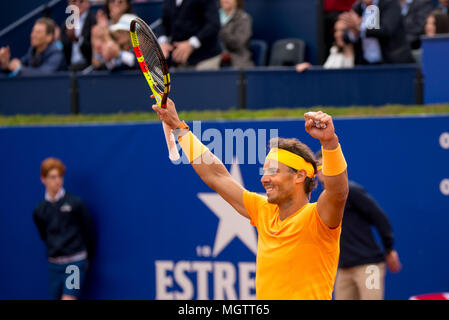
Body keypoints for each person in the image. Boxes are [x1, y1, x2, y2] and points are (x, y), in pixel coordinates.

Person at [151, 98, 349, 299]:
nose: (265, 178)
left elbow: (338, 193)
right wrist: (178, 126)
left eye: (273, 171)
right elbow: (216, 175)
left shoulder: (318, 218)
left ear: (299, 176)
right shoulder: (263, 210)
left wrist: (329, 142)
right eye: (264, 171)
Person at [315, 151, 402, 300]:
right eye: (320, 167)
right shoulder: (322, 201)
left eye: (328, 165)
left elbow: (379, 217)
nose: (324, 170)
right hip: (343, 269)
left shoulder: (352, 191)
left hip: (369, 266)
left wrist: (389, 249)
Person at [33, 158, 95, 300]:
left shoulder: (75, 203)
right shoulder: (39, 210)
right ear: (43, 179)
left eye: (60, 176)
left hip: (75, 264)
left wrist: (86, 258)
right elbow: (44, 234)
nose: (57, 181)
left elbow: (88, 231)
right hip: (54, 266)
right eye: (52, 177)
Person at [339, 0, 415, 64]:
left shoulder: (390, 3)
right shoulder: (357, 7)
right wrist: (354, 31)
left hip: (391, 63)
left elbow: (386, 30)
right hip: (365, 65)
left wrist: (360, 28)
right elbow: (346, 37)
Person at [158, 0, 222, 70]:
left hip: (206, 58)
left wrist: (191, 44)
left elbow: (213, 25)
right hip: (179, 60)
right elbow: (164, 23)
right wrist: (163, 42)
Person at [0, 17, 66, 76]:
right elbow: (18, 67)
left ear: (49, 37)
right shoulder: (32, 50)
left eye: (38, 32)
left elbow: (44, 75)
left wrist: (19, 69)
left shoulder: (56, 53)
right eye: (33, 31)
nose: (33, 35)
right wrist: (6, 64)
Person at [60, 0, 97, 71]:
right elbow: (63, 48)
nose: (77, 4)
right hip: (69, 66)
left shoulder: (94, 21)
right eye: (74, 1)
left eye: (81, 1)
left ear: (88, 3)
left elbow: (93, 49)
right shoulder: (66, 24)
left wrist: (77, 39)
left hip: (89, 67)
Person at [218, 0, 254, 68]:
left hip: (236, 59)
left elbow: (238, 43)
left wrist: (222, 31)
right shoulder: (212, 17)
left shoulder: (243, 18)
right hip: (212, 58)